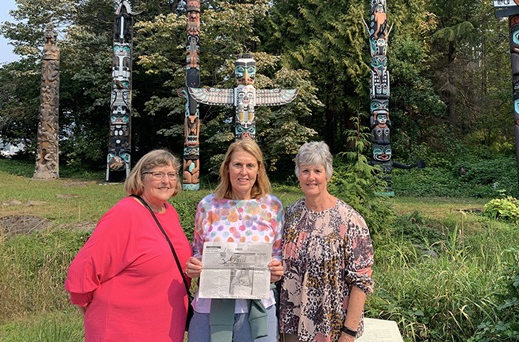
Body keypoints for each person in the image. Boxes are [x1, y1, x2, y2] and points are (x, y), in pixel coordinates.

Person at [64, 149, 192, 342]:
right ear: (141, 178)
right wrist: (94, 313)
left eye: (171, 174)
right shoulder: (125, 213)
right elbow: (83, 270)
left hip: (165, 327)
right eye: (158, 174)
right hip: (123, 329)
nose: (166, 181)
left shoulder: (169, 212)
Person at [185, 139, 284, 342]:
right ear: (227, 168)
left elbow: (277, 254)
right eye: (238, 164)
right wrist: (195, 265)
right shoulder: (208, 205)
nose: (243, 172)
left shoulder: (272, 206)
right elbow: (198, 251)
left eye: (250, 165)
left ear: (259, 169)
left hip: (258, 308)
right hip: (210, 308)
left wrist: (277, 268)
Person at [279, 141, 374, 342]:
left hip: (331, 327)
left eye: (317, 171)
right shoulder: (290, 215)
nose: (311, 177)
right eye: (305, 170)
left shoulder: (349, 220)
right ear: (298, 174)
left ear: (327, 174)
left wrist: (349, 333)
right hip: (292, 324)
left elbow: (361, 281)